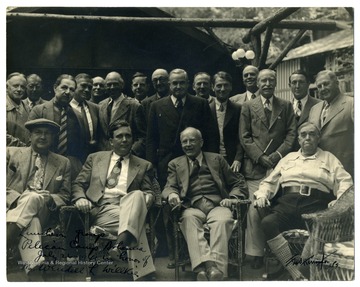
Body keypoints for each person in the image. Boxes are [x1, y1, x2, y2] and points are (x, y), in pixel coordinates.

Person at [253, 122, 353, 280]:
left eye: (312, 134)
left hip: (315, 205)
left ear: (318, 138)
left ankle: (297, 273)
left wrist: (339, 201)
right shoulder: (288, 158)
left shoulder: (329, 158)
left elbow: (345, 183)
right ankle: (296, 274)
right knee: (268, 222)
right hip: (286, 203)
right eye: (303, 134)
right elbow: (268, 182)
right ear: (298, 139)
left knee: (320, 229)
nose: (308, 138)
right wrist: (262, 196)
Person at [146, 68, 219, 267]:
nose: (178, 87)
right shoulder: (157, 105)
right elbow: (151, 139)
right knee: (170, 206)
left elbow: (212, 136)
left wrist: (211, 164)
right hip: (165, 165)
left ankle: (192, 251)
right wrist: (151, 165)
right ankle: (173, 252)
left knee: (191, 205)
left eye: (182, 83)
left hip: (195, 163)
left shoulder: (201, 104)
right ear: (169, 85)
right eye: (174, 83)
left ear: (188, 84)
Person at [72, 120, 156, 281]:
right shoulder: (95, 158)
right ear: (111, 141)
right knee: (137, 221)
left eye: (128, 136)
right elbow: (78, 184)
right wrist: (81, 198)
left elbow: (148, 191)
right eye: (120, 136)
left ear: (132, 140)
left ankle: (120, 244)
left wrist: (149, 197)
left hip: (128, 206)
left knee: (138, 195)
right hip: (101, 210)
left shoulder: (144, 165)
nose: (124, 140)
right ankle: (142, 271)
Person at [163, 127, 248, 281]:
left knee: (223, 220)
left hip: (218, 205)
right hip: (191, 207)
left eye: (192, 140)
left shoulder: (217, 159)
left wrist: (233, 197)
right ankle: (212, 268)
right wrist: (172, 194)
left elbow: (237, 182)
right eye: (184, 141)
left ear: (201, 142)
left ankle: (204, 270)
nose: (188, 144)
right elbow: (170, 186)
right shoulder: (175, 164)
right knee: (189, 220)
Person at [240, 69, 297, 269]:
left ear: (275, 83)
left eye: (271, 80)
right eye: (263, 80)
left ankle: (277, 253)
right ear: (257, 82)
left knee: (275, 209)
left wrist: (277, 156)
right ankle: (255, 253)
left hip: (279, 168)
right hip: (255, 167)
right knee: (255, 208)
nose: (267, 84)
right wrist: (260, 156)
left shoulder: (286, 106)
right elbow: (245, 136)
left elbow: (291, 134)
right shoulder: (247, 106)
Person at [6, 119, 71, 280]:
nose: (43, 137)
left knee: (35, 198)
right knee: (31, 220)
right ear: (30, 136)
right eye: (38, 133)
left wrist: (50, 199)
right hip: (11, 207)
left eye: (47, 133)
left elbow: (65, 195)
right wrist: (18, 198)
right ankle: (35, 271)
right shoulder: (10, 153)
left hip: (44, 211)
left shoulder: (63, 162)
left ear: (54, 138)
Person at [28, 74, 84, 179]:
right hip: (42, 163)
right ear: (55, 88)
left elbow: (80, 145)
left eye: (72, 89)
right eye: (64, 87)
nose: (68, 92)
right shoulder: (39, 110)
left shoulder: (78, 115)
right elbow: (29, 140)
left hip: (68, 167)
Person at [308, 70, 354, 177]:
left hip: (345, 171)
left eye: (326, 84)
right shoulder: (314, 109)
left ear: (337, 83)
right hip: (319, 172)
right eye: (319, 86)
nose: (323, 88)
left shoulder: (352, 104)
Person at [98, 71, 146, 158]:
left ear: (122, 85)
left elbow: (142, 137)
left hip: (126, 156)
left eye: (115, 84)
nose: (112, 87)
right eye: (109, 84)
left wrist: (130, 152)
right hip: (105, 156)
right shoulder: (101, 105)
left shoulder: (134, 106)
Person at [210, 71, 242, 172]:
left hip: (233, 161)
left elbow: (242, 136)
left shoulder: (238, 109)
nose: (222, 89)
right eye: (219, 86)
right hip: (211, 160)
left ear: (231, 87)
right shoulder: (206, 108)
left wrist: (238, 159)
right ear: (213, 87)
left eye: (226, 85)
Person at [70, 73, 100, 157]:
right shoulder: (66, 107)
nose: (87, 90)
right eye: (83, 86)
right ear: (75, 86)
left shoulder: (95, 108)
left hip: (91, 155)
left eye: (90, 87)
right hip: (71, 156)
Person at [6, 72, 30, 146]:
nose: (19, 89)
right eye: (15, 86)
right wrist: (25, 147)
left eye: (22, 87)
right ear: (6, 87)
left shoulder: (27, 107)